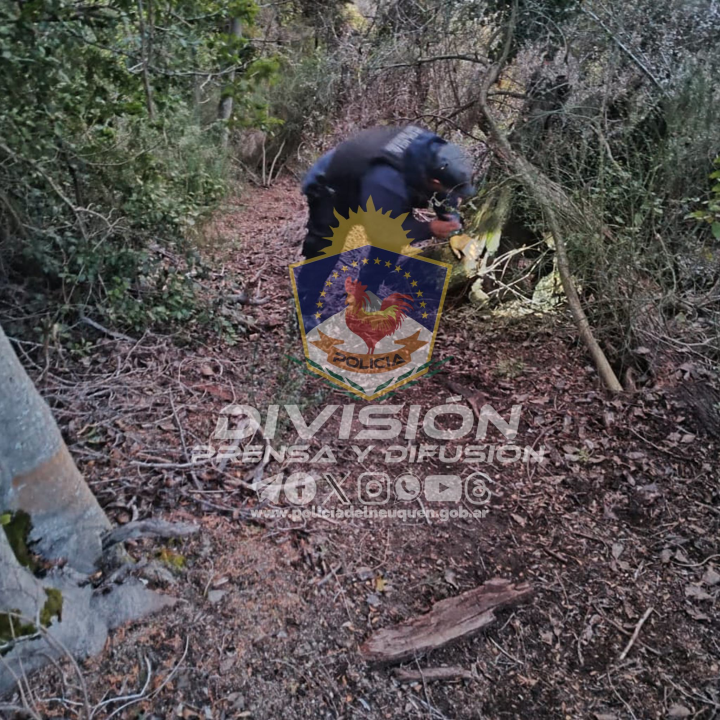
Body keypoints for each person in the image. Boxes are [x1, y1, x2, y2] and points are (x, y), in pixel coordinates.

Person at [300, 125, 475, 260]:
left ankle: (367, 293)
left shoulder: (434, 151)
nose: (454, 194)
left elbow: (445, 190)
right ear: (435, 181)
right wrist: (430, 228)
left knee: (388, 249)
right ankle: (307, 295)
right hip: (331, 186)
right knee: (325, 250)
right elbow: (383, 232)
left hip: (369, 181)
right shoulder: (387, 180)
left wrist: (451, 220)